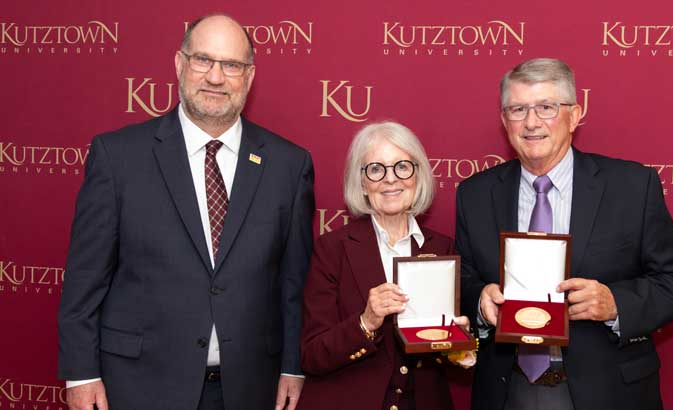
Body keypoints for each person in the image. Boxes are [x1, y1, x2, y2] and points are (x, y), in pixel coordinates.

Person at [57, 14, 314, 410]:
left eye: (231, 65)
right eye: (203, 60)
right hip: (137, 386)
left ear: (249, 76)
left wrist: (292, 366)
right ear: (179, 64)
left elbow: (293, 284)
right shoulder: (118, 157)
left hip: (249, 388)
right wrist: (81, 373)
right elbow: (84, 279)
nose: (215, 77)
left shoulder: (289, 166)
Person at [456, 58, 673, 410]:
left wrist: (616, 303)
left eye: (546, 107)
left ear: (574, 115)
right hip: (509, 390)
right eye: (518, 109)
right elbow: (463, 277)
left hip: (610, 392)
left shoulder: (632, 186)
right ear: (504, 120)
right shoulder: (475, 194)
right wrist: (480, 300)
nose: (531, 122)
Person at [298, 122, 472, 410]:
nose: (391, 179)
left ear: (418, 176)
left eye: (402, 167)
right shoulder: (332, 249)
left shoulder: (442, 248)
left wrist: (460, 347)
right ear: (362, 183)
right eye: (376, 169)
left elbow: (448, 359)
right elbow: (312, 355)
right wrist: (366, 322)